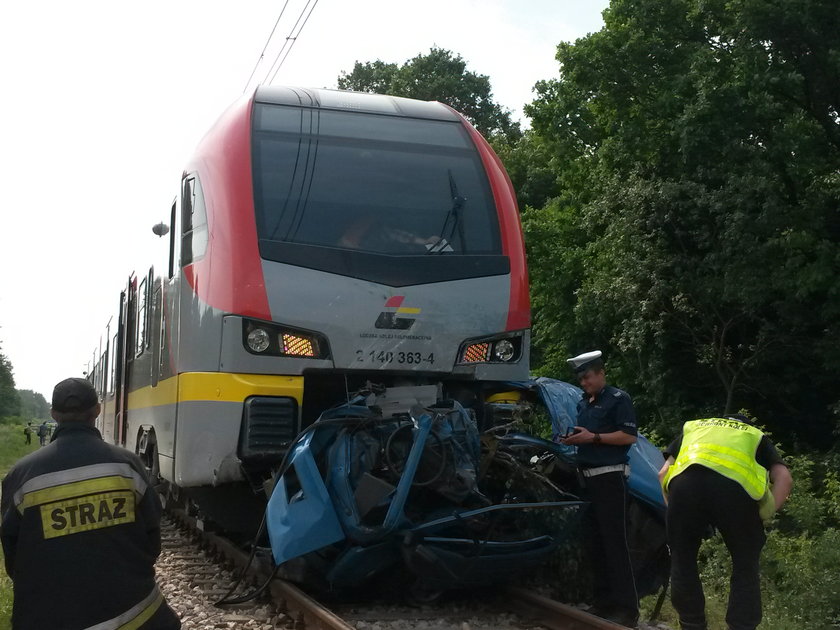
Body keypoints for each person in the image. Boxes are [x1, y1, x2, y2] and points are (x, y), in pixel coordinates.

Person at [0, 377, 181, 630]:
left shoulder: (21, 475)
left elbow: (13, 555)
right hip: (135, 616)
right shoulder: (128, 466)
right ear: (97, 410)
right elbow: (152, 541)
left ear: (54, 415)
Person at [659, 414, 793, 630]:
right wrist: (763, 515)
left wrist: (675, 512)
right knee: (745, 564)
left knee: (682, 558)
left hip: (685, 489)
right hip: (736, 494)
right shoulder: (754, 435)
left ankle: (691, 624)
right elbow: (784, 478)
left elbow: (663, 472)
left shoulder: (694, 427)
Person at [561, 350, 639, 627]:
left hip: (610, 477)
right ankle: (604, 600)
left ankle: (627, 608)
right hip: (587, 477)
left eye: (588, 377)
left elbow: (628, 435)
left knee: (615, 543)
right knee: (595, 541)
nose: (584, 383)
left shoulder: (618, 399)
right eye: (581, 379)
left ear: (601, 373)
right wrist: (576, 439)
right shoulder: (584, 403)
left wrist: (593, 437)